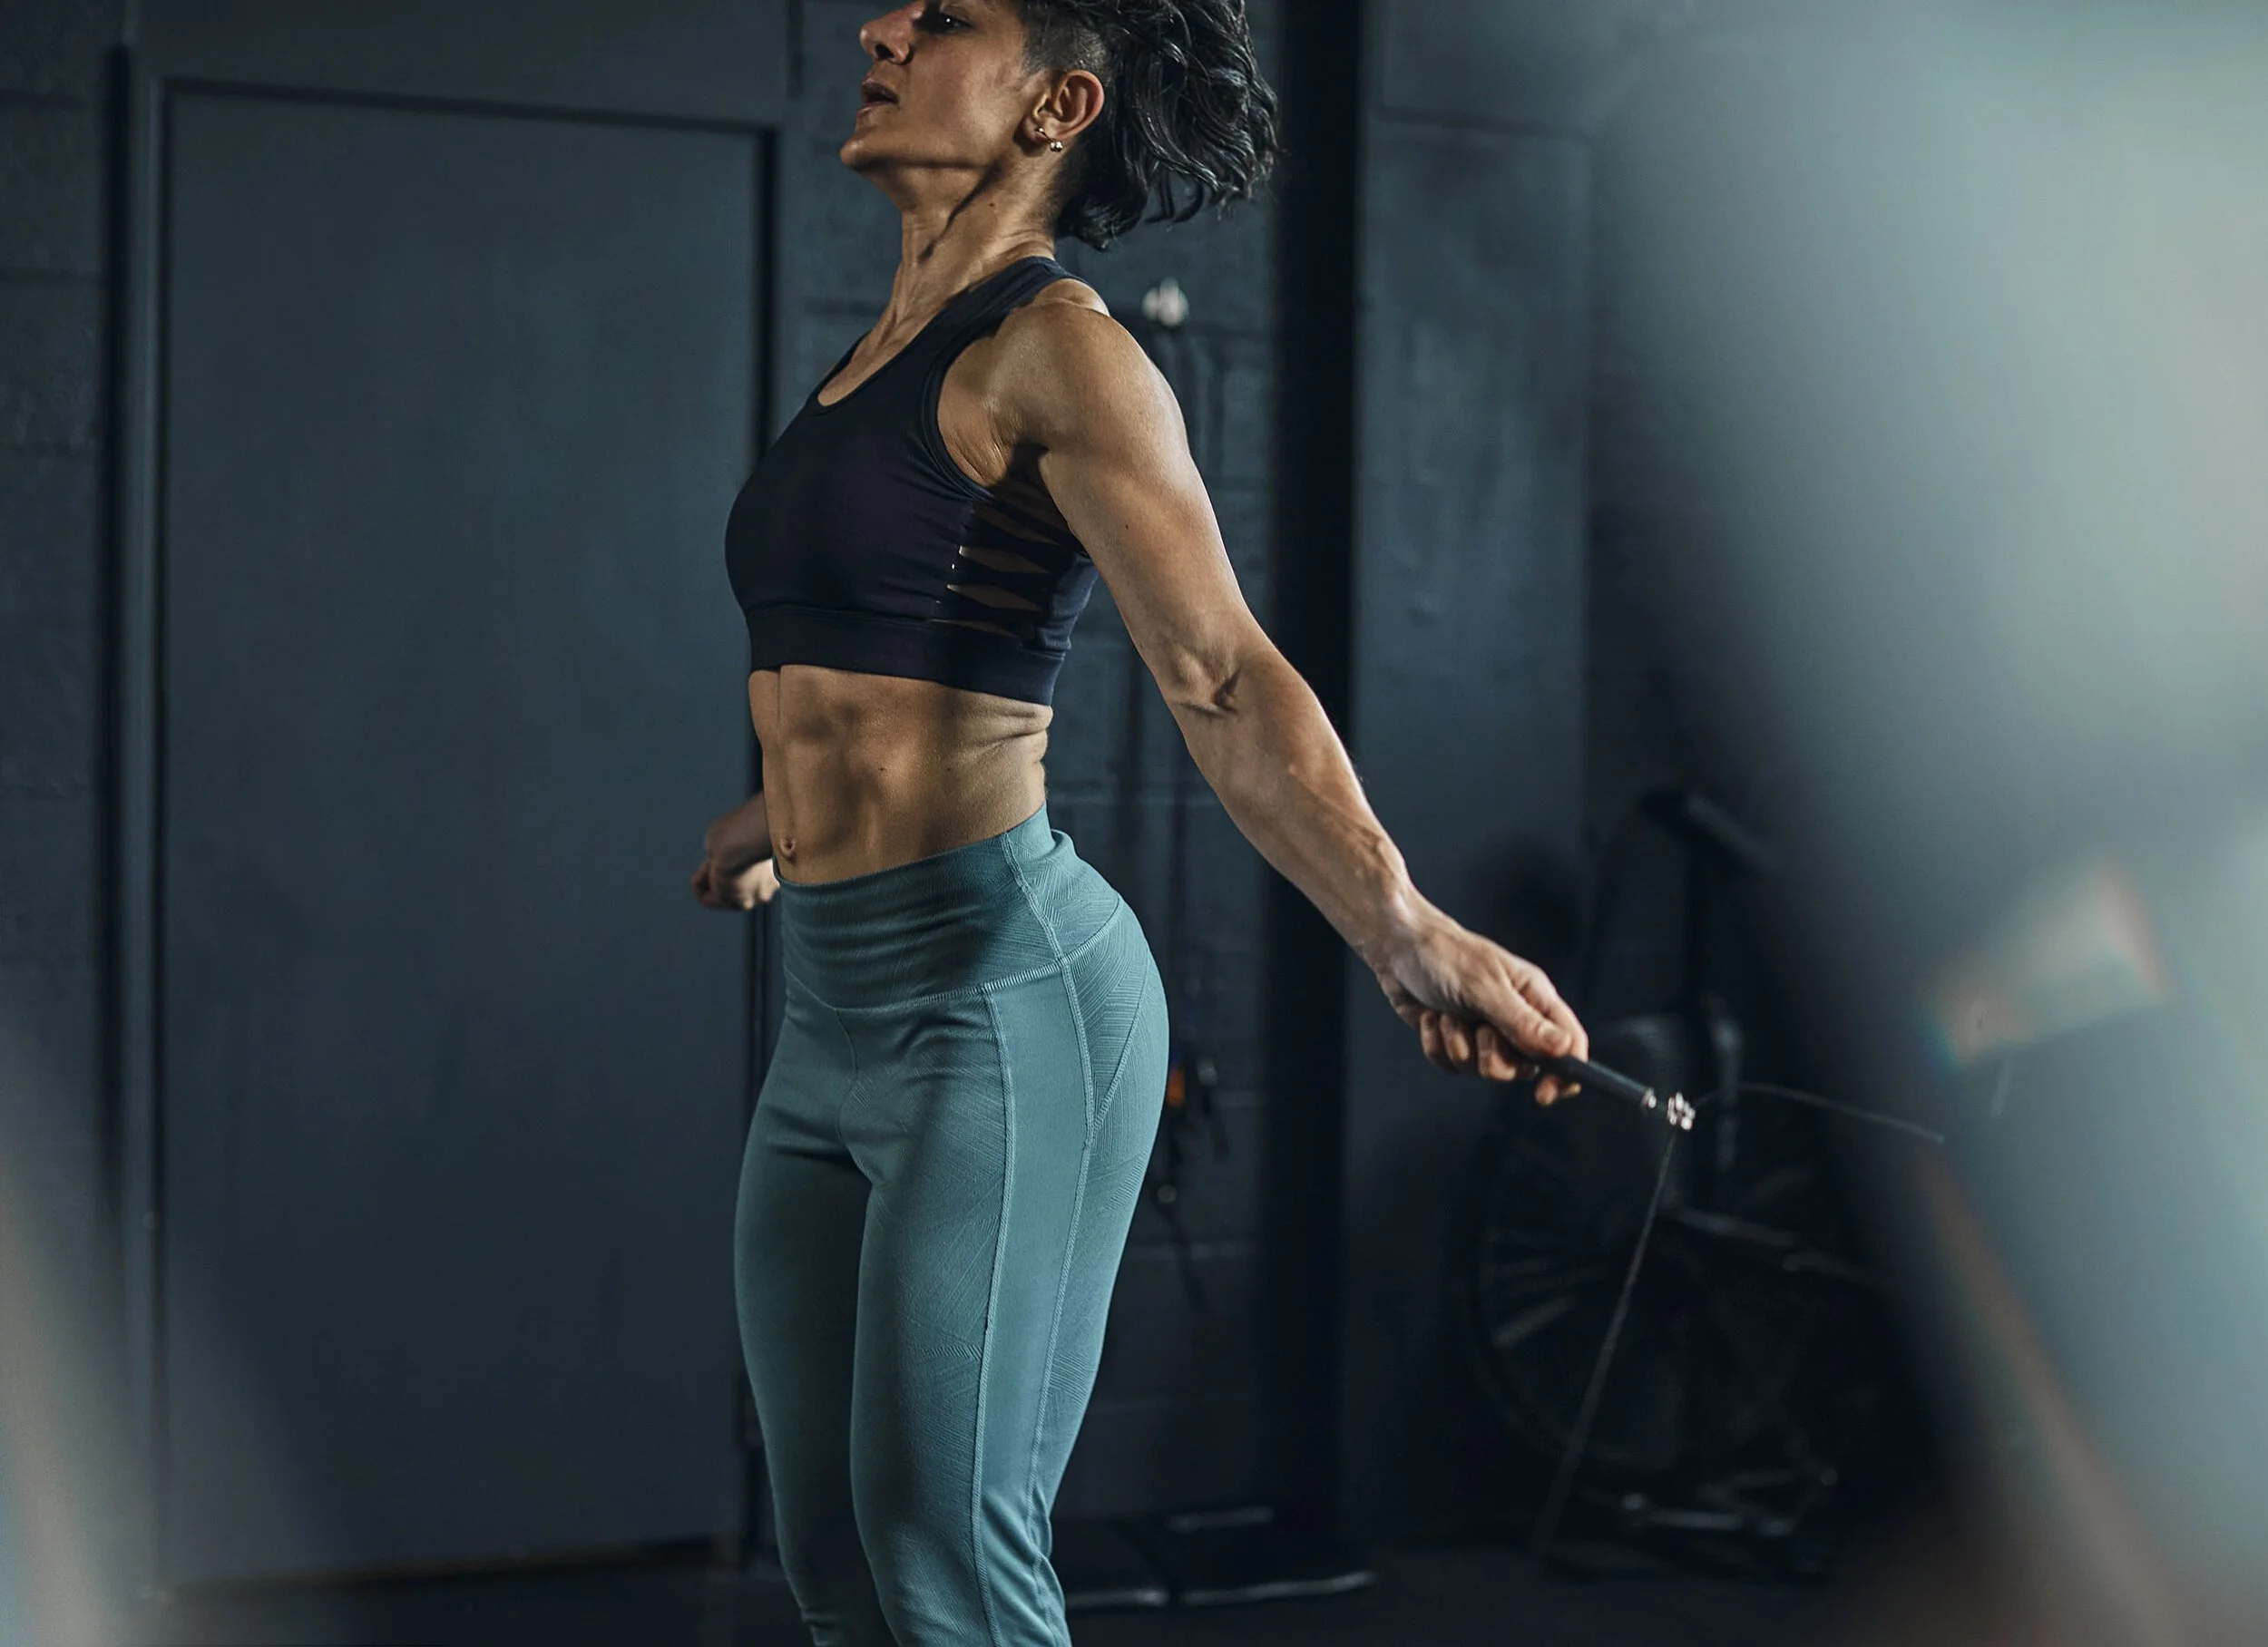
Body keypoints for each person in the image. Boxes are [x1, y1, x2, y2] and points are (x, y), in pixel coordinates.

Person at [691, 3, 1589, 1641]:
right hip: (829, 1013)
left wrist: (1408, 931)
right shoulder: (872, 359)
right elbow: (895, 661)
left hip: (997, 998)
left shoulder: (1066, 354)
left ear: (1060, 103)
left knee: (946, 1551)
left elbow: (1226, 678)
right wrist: (777, 817)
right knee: (830, 1557)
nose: (883, 24)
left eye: (946, 15)